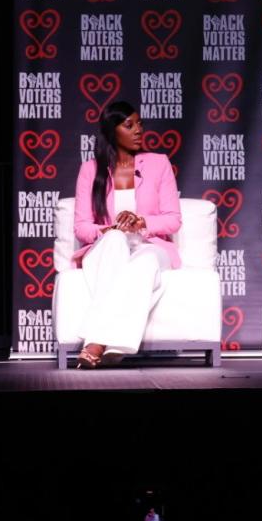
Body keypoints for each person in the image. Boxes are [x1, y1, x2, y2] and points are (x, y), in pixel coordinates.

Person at [71, 101, 182, 368]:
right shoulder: (90, 169)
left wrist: (140, 221)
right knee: (115, 239)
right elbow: (81, 227)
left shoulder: (158, 163)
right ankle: (113, 346)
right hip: (108, 247)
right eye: (129, 125)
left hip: (149, 245)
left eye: (139, 124)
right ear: (112, 130)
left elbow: (173, 220)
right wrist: (109, 229)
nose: (138, 130)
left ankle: (96, 343)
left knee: (143, 263)